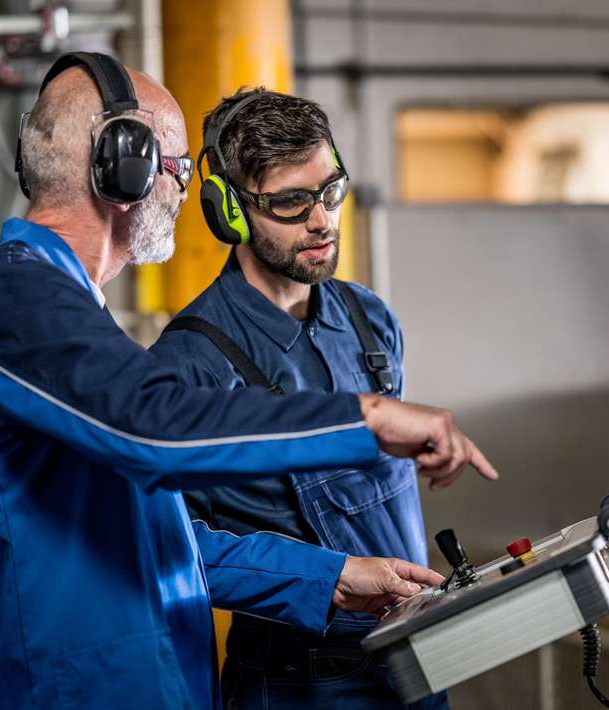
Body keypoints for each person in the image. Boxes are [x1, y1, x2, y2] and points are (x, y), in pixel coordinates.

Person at [0, 53, 496, 710]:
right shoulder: (9, 298)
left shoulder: (70, 314)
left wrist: (325, 575)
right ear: (124, 166)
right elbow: (154, 427)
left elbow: (165, 536)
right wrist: (364, 419)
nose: (179, 193)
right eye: (174, 168)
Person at [151, 88, 466, 709]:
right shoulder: (188, 364)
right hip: (297, 686)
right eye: (292, 202)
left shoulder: (370, 320)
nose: (321, 219)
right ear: (231, 213)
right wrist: (329, 579)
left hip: (417, 665)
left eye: (330, 191)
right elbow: (173, 550)